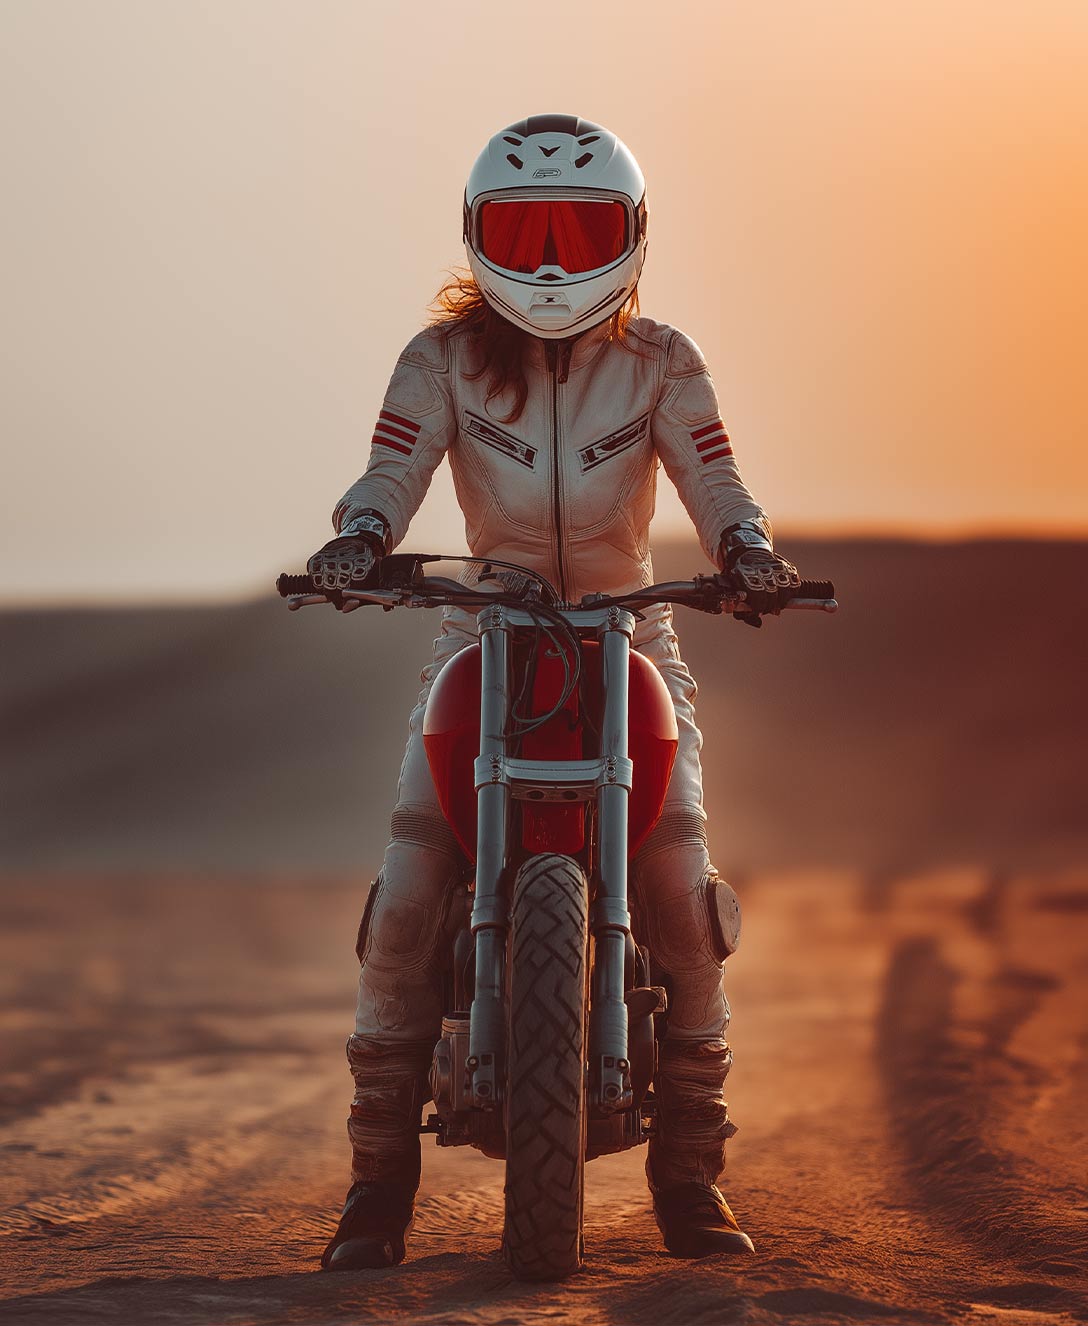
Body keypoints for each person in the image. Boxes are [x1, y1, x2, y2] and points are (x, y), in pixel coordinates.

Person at [308, 114, 802, 1271]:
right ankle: (375, 1186)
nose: (545, 262)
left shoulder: (663, 363)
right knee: (409, 893)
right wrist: (361, 534)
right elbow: (389, 471)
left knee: (683, 903)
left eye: (575, 231)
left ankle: (687, 1176)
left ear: (627, 239)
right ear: (476, 237)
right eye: (520, 230)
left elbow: (717, 483)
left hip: (631, 635)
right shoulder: (437, 361)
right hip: (479, 631)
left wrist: (747, 555)